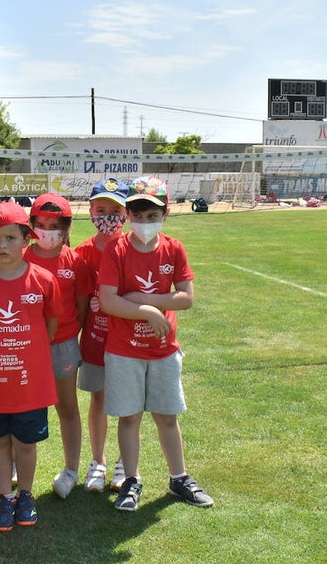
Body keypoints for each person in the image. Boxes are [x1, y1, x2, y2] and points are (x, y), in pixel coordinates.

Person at [98, 176, 214, 512]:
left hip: (163, 350)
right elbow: (108, 301)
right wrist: (148, 309)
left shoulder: (174, 248)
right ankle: (131, 480)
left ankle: (179, 477)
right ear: (128, 215)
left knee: (166, 416)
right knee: (130, 417)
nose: (145, 223)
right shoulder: (117, 249)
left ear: (164, 214)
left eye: (153, 216)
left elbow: (186, 299)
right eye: (138, 215)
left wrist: (139, 297)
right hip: (123, 351)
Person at [0, 201, 58, 531]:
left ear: (27, 239)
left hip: (30, 385)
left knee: (26, 444)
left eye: (10, 238)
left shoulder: (43, 279)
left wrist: (25, 352)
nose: (2, 246)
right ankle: (5, 496)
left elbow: (51, 325)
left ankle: (26, 494)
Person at [23, 192, 92, 499]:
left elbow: (80, 309)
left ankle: (71, 469)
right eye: (42, 224)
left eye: (55, 225)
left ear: (66, 228)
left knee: (66, 407)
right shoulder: (21, 257)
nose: (48, 231)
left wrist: (64, 335)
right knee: (23, 407)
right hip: (25, 346)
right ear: (31, 226)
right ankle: (16, 464)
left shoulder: (75, 261)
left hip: (63, 344)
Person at [73, 177, 130, 492]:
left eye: (114, 210)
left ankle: (124, 463)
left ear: (124, 213)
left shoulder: (133, 247)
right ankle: (98, 462)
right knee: (99, 400)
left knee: (127, 403)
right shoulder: (82, 253)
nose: (107, 216)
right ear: (91, 210)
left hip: (127, 341)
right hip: (95, 339)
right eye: (101, 208)